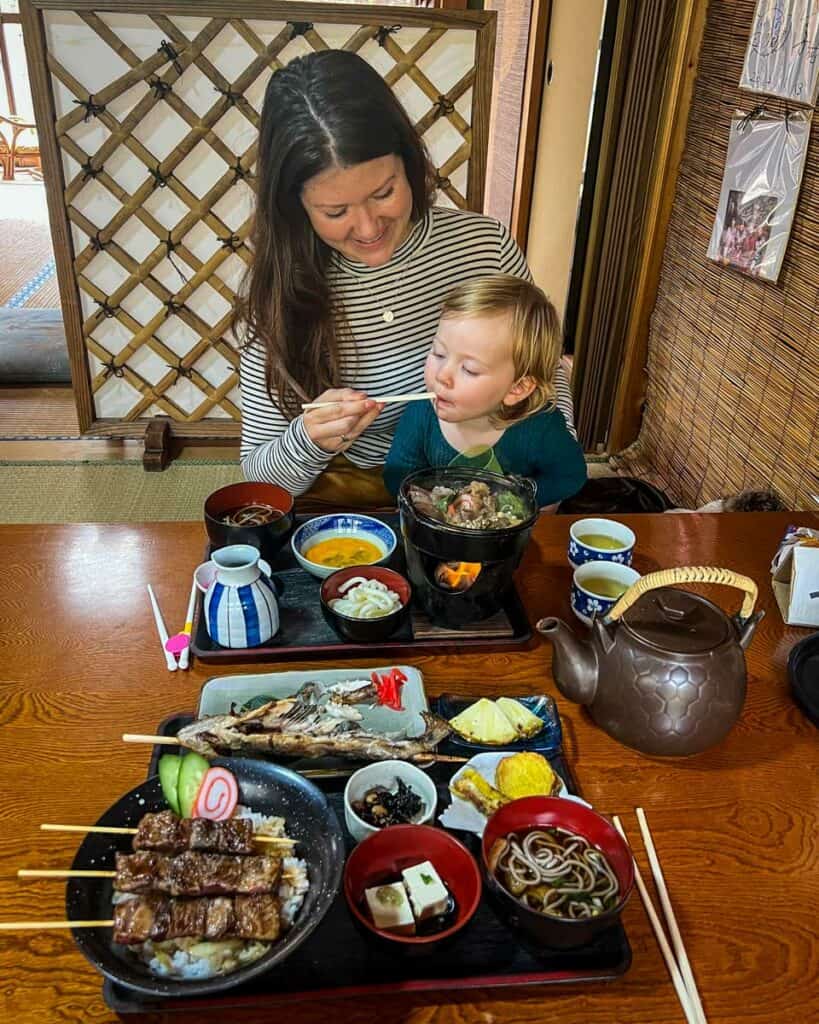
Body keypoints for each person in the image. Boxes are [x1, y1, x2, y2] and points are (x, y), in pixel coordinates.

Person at [238, 50, 576, 506]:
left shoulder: (483, 246)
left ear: (409, 163)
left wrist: (551, 455)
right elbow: (262, 479)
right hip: (352, 492)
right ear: (294, 205)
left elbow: (545, 368)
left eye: (384, 193)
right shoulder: (280, 290)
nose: (368, 228)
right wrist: (310, 439)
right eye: (335, 212)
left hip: (488, 482)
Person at [383, 275, 586, 509]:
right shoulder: (420, 415)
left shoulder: (541, 427)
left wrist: (517, 500)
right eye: (439, 354)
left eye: (469, 369)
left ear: (517, 388)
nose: (442, 376)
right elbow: (395, 477)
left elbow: (571, 476)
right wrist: (426, 502)